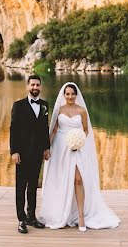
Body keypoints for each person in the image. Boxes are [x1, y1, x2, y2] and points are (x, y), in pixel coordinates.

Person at [40, 81, 120, 231]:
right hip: (60, 150)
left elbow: (86, 130)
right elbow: (54, 130)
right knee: (63, 180)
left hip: (77, 149)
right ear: (64, 95)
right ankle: (62, 212)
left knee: (78, 179)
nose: (70, 96)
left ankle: (82, 216)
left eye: (72, 94)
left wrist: (78, 141)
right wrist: (47, 148)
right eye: (67, 94)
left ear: (76, 95)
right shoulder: (59, 110)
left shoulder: (82, 111)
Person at [10, 74, 51, 234]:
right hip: (22, 153)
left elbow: (44, 129)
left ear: (40, 87)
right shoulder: (18, 105)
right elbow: (13, 130)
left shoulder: (44, 105)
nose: (35, 88)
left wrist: (46, 148)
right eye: (32, 85)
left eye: (37, 85)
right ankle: (21, 219)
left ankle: (31, 216)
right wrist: (14, 151)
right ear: (27, 87)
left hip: (37, 153)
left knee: (33, 186)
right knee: (21, 186)